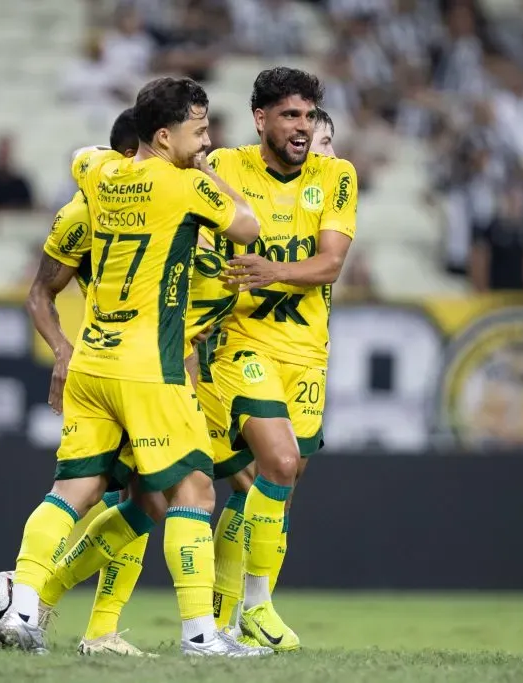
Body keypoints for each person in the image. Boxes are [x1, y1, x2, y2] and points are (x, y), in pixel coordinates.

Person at [0, 77, 265, 657]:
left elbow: (81, 157)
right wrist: (204, 170)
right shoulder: (185, 186)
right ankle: (201, 635)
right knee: (195, 488)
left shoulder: (98, 174)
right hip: (150, 366)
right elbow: (248, 226)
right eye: (197, 131)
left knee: (73, 489)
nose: (206, 140)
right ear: (165, 136)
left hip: (91, 360)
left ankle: (21, 606)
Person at [205, 68, 358, 652]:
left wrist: (273, 271)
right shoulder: (225, 167)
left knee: (271, 484)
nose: (304, 127)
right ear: (261, 118)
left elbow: (330, 266)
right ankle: (256, 605)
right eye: (292, 115)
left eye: (311, 116)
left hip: (307, 355)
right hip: (241, 345)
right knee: (275, 462)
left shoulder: (337, 176)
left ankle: (223, 618)